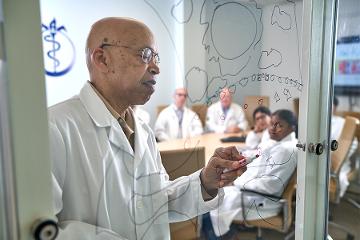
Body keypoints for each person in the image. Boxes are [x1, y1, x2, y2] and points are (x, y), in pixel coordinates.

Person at [48, 17, 247, 239]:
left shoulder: (141, 128)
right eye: (144, 55)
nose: (156, 68)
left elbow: (155, 201)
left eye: (156, 58)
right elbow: (41, 230)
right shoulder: (53, 128)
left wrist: (205, 182)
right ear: (103, 59)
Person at [207, 109, 298, 237]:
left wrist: (236, 182)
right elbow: (258, 159)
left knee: (209, 202)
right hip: (256, 194)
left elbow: (270, 186)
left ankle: (220, 235)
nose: (273, 128)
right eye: (272, 123)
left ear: (291, 128)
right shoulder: (279, 143)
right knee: (213, 195)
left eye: (280, 125)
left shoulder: (285, 150)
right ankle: (227, 233)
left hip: (262, 201)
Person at [331, 96, 358, 197]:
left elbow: (353, 144)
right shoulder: (313, 123)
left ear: (335, 107)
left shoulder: (342, 123)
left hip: (337, 164)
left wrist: (337, 158)